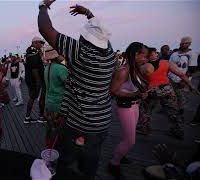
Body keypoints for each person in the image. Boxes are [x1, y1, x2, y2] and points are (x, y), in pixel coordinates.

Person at [38, 2, 115, 179]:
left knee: (63, 160)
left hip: (79, 125)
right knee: (90, 162)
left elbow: (45, 28)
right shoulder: (109, 54)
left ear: (85, 38)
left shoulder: (80, 52)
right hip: (101, 123)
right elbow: (101, 32)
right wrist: (88, 13)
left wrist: (43, 5)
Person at [138, 47, 199, 139]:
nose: (157, 54)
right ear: (153, 54)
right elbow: (181, 74)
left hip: (152, 91)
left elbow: (141, 82)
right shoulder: (165, 63)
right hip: (167, 89)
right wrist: (191, 85)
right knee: (173, 111)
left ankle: (144, 128)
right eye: (155, 52)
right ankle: (178, 131)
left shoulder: (144, 67)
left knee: (145, 110)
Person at [109, 42, 149, 179]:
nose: (146, 59)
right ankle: (114, 163)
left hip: (134, 106)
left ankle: (121, 155)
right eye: (144, 56)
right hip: (126, 108)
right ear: (137, 54)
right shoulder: (124, 70)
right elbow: (113, 91)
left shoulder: (134, 69)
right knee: (130, 140)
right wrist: (136, 94)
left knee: (128, 137)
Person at [168, 37, 199, 123]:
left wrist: (184, 81)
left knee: (181, 100)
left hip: (181, 80)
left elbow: (191, 70)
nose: (183, 45)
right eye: (182, 43)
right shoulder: (174, 54)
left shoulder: (192, 54)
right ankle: (173, 116)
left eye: (185, 43)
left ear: (189, 44)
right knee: (171, 99)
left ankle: (180, 117)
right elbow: (169, 66)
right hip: (171, 79)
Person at [43, 46, 68, 146]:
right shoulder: (61, 69)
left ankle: (48, 147)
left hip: (49, 102)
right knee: (58, 129)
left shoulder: (47, 68)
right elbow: (68, 85)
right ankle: (56, 150)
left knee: (50, 127)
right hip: (59, 103)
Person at [24, 37, 46, 123]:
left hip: (31, 80)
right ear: (35, 42)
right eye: (40, 43)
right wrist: (38, 82)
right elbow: (34, 69)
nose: (41, 45)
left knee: (32, 98)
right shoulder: (33, 52)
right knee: (40, 97)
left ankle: (27, 117)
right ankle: (40, 116)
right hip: (36, 80)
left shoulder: (30, 51)